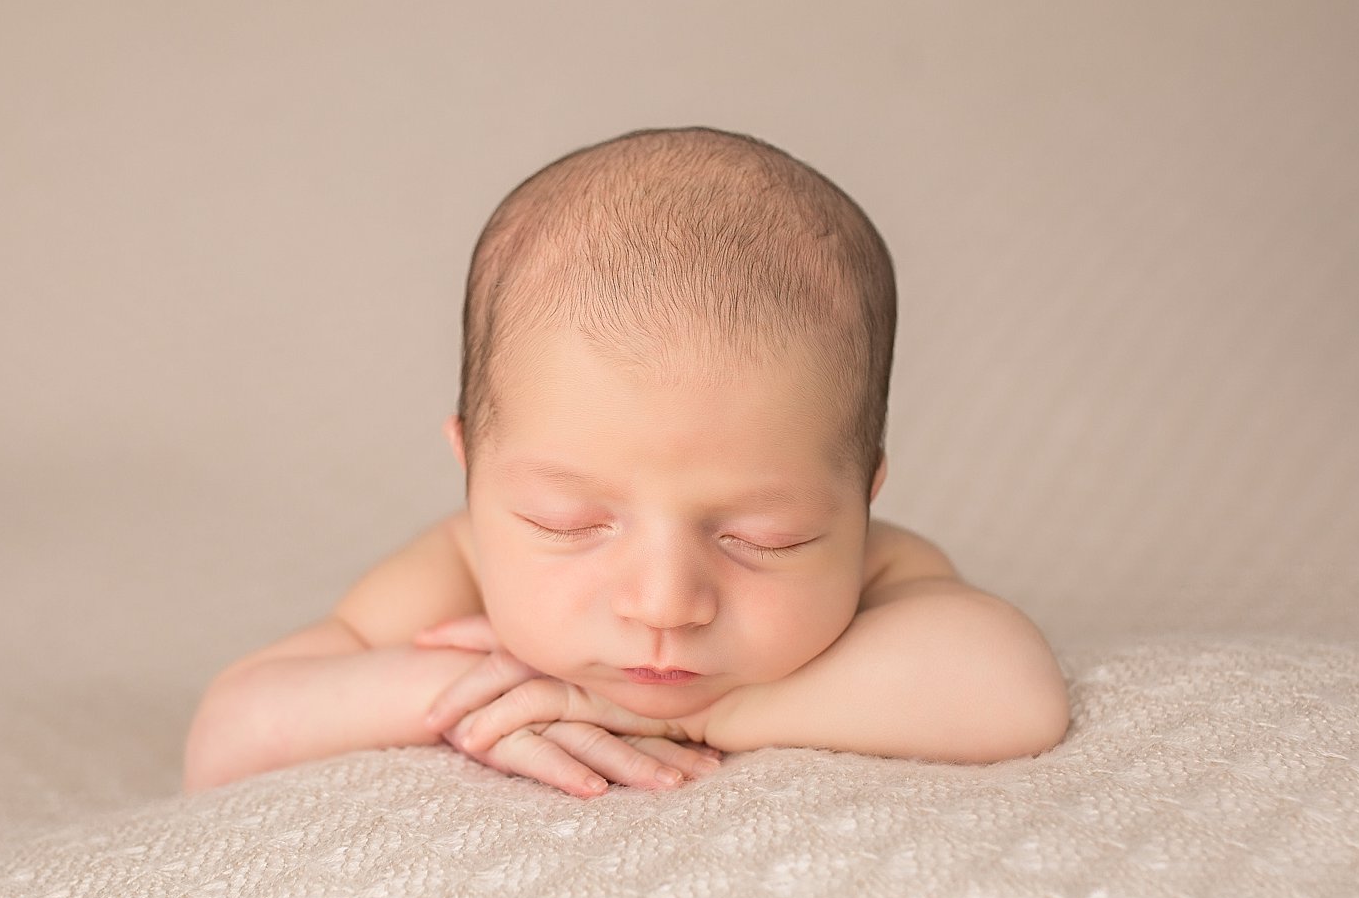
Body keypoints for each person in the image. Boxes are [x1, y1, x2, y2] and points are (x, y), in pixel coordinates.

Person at [183, 126, 1069, 798]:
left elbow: (1011, 693)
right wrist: (474, 692)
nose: (663, 602)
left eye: (768, 537)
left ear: (863, 496)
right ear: (472, 474)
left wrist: (709, 711)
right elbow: (228, 733)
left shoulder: (885, 571)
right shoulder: (456, 569)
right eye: (568, 526)